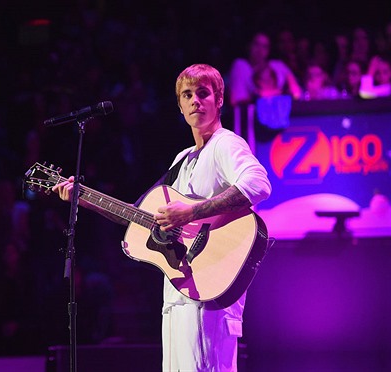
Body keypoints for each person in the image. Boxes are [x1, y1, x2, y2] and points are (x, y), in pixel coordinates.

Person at [52, 63, 271, 371]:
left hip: (210, 290)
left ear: (219, 100)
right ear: (180, 106)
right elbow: (137, 215)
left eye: (204, 93)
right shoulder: (182, 159)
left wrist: (192, 211)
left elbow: (258, 184)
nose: (195, 100)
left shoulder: (226, 143)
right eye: (187, 95)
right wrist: (83, 198)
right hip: (181, 291)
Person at [227, 32, 301, 106]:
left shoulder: (279, 66)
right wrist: (274, 94)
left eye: (265, 46)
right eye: (256, 44)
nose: (260, 50)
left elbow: (297, 93)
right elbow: (237, 102)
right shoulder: (241, 66)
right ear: (249, 46)